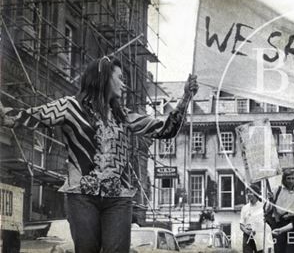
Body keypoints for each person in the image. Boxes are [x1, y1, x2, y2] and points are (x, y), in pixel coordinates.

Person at [0, 57, 198, 253]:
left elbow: (166, 130)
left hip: (118, 198)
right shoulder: (70, 108)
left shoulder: (125, 117)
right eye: (120, 78)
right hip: (82, 196)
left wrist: (186, 98)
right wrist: (6, 115)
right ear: (103, 78)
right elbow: (33, 115)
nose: (124, 85)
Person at [264, 168, 294, 253]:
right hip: (278, 223)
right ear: (284, 179)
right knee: (279, 249)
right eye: (288, 178)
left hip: (293, 223)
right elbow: (267, 209)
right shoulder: (277, 190)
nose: (290, 181)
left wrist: (291, 215)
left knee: (293, 249)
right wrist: (270, 200)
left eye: (293, 178)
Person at [240, 184, 273, 253]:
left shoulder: (263, 206)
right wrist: (247, 231)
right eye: (248, 192)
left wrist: (270, 199)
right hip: (247, 235)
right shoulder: (244, 208)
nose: (249, 194)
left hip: (259, 234)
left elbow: (270, 208)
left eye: (251, 192)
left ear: (256, 193)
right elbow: (241, 225)